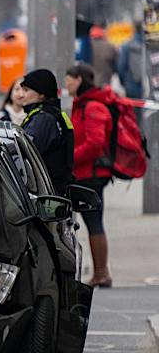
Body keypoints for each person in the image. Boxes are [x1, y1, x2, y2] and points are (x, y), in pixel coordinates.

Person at [67, 61, 141, 287]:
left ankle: (101, 272)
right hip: (86, 172)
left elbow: (95, 143)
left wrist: (70, 158)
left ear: (79, 79)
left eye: (69, 79)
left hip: (91, 174)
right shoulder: (83, 104)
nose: (66, 84)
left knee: (93, 221)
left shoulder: (93, 107)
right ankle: (100, 271)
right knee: (91, 221)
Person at [11, 68, 74, 196]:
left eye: (27, 90)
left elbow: (24, 152)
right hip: (54, 190)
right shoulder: (52, 115)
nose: (22, 95)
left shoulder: (43, 120)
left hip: (44, 192)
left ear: (41, 94)